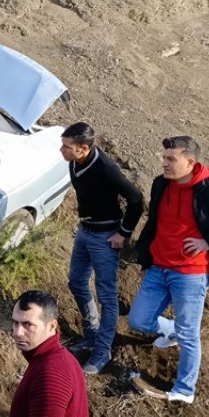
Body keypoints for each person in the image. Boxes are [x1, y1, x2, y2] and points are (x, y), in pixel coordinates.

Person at [128, 136, 209, 404]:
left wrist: (207, 242)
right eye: (163, 157)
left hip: (190, 272)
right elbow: (155, 220)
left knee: (189, 334)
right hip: (159, 266)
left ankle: (184, 391)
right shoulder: (160, 183)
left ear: (190, 161)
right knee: (138, 320)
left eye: (170, 159)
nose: (164, 163)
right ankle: (170, 330)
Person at [58, 122, 144, 374]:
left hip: (106, 237)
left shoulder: (106, 169)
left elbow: (136, 200)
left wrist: (123, 233)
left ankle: (102, 350)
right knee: (76, 281)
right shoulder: (75, 162)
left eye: (66, 147)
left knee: (107, 295)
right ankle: (91, 332)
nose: (61, 150)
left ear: (83, 149)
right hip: (85, 231)